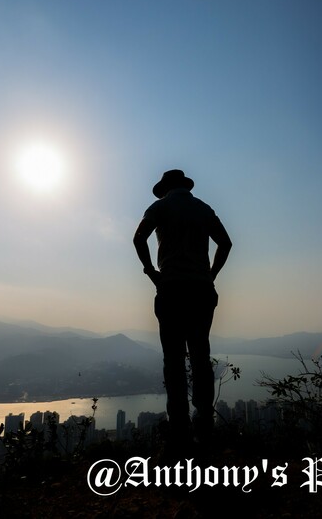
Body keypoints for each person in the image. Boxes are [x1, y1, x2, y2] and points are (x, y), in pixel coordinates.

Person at [133, 169, 232, 448]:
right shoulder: (204, 209)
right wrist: (211, 274)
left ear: (165, 187)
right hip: (201, 291)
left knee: (174, 360)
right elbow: (225, 243)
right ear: (185, 186)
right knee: (201, 356)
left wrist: (151, 272)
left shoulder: (159, 207)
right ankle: (204, 427)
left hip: (172, 290)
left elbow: (139, 238)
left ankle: (179, 430)